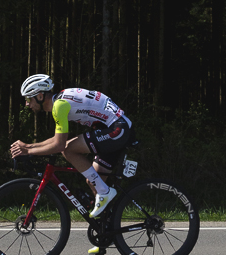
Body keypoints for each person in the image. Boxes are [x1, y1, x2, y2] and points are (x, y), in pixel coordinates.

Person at [9, 74, 134, 234]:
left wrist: (28, 150)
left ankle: (105, 192)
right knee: (94, 180)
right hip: (115, 128)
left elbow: (60, 144)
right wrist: (28, 147)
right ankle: (106, 232)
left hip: (117, 129)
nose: (27, 104)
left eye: (29, 99)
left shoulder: (59, 106)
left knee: (68, 149)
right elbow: (56, 140)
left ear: (40, 96)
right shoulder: (60, 100)